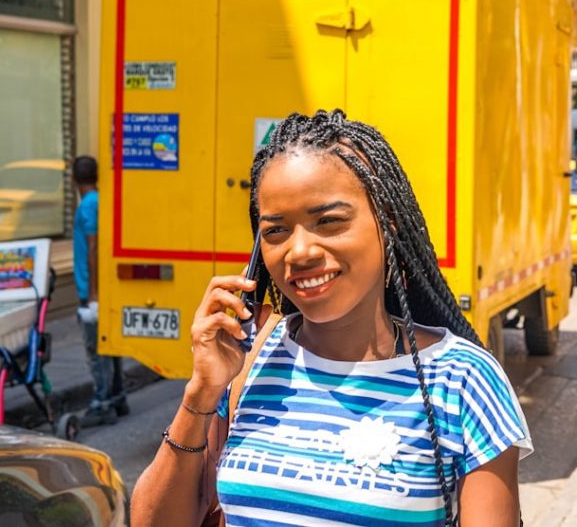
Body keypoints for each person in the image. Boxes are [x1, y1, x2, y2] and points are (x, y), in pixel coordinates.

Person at [132, 110, 531, 527]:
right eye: (276, 231)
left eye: (329, 221)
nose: (299, 251)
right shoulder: (250, 362)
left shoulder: (462, 380)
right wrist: (201, 392)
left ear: (388, 225)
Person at [72, 156, 128, 427]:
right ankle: (118, 397)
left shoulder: (87, 206)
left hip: (91, 288)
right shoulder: (101, 199)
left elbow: (93, 248)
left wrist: (92, 292)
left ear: (73, 179)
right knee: (110, 343)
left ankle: (102, 402)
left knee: (97, 350)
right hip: (102, 286)